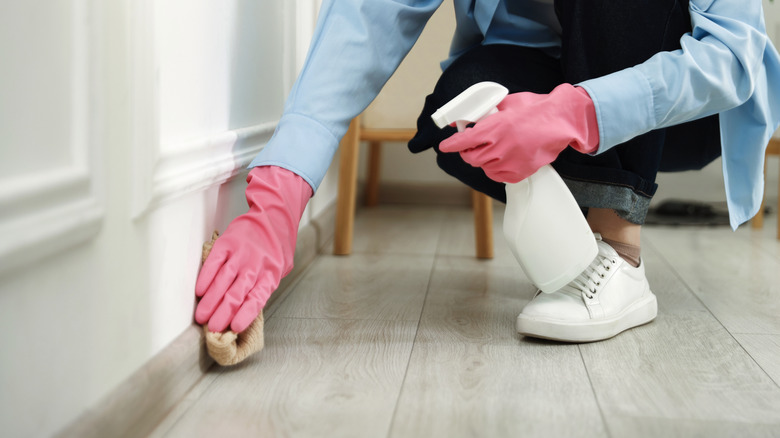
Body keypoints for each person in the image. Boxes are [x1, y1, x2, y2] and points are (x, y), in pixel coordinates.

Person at [194, 0, 780, 342]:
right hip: (546, 83)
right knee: (462, 97)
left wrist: (574, 112)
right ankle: (577, 253)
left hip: (684, 109)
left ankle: (620, 255)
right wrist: (278, 197)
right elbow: (365, 23)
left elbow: (733, 55)